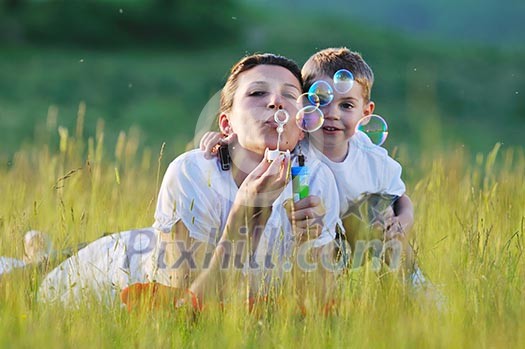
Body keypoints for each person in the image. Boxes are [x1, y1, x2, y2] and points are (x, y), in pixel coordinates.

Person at [38, 53, 342, 311]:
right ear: (226, 124)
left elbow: (316, 308)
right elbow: (189, 307)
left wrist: (309, 244)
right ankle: (38, 256)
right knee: (28, 278)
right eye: (257, 93)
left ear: (303, 126)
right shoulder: (193, 173)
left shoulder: (314, 181)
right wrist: (246, 212)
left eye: (289, 95)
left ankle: (41, 251)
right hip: (113, 275)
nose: (276, 102)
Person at [200, 47, 423, 284]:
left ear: (365, 113)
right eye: (321, 102)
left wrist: (404, 222)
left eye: (346, 106)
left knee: (383, 218)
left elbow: (400, 198)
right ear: (304, 105)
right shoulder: (297, 144)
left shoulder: (370, 157)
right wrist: (228, 139)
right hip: (322, 244)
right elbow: (261, 141)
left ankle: (415, 288)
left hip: (363, 237)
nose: (332, 114)